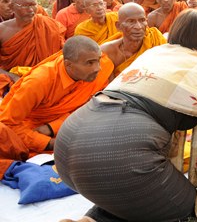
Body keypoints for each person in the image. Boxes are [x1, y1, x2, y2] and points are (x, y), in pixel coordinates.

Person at [54, 9, 197, 222]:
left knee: (127, 189)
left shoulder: (155, 52)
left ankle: (89, 219)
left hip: (68, 147)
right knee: (186, 207)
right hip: (118, 152)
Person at [0, 36, 113, 177]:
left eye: (98, 60)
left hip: (67, 125)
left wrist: (51, 127)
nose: (98, 68)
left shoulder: (96, 73)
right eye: (90, 63)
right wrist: (50, 143)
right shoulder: (39, 82)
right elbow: (7, 123)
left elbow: (90, 107)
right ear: (69, 65)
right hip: (32, 129)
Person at [0, 0, 65, 88]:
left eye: (33, 5)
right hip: (15, 82)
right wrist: (13, 77)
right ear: (12, 7)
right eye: (25, 6)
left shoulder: (48, 25)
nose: (31, 10)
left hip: (48, 78)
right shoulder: (2, 30)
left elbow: (62, 56)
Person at [100, 3, 166, 78]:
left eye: (142, 20)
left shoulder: (156, 41)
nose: (138, 27)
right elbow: (108, 86)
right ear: (118, 26)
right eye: (131, 21)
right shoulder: (107, 51)